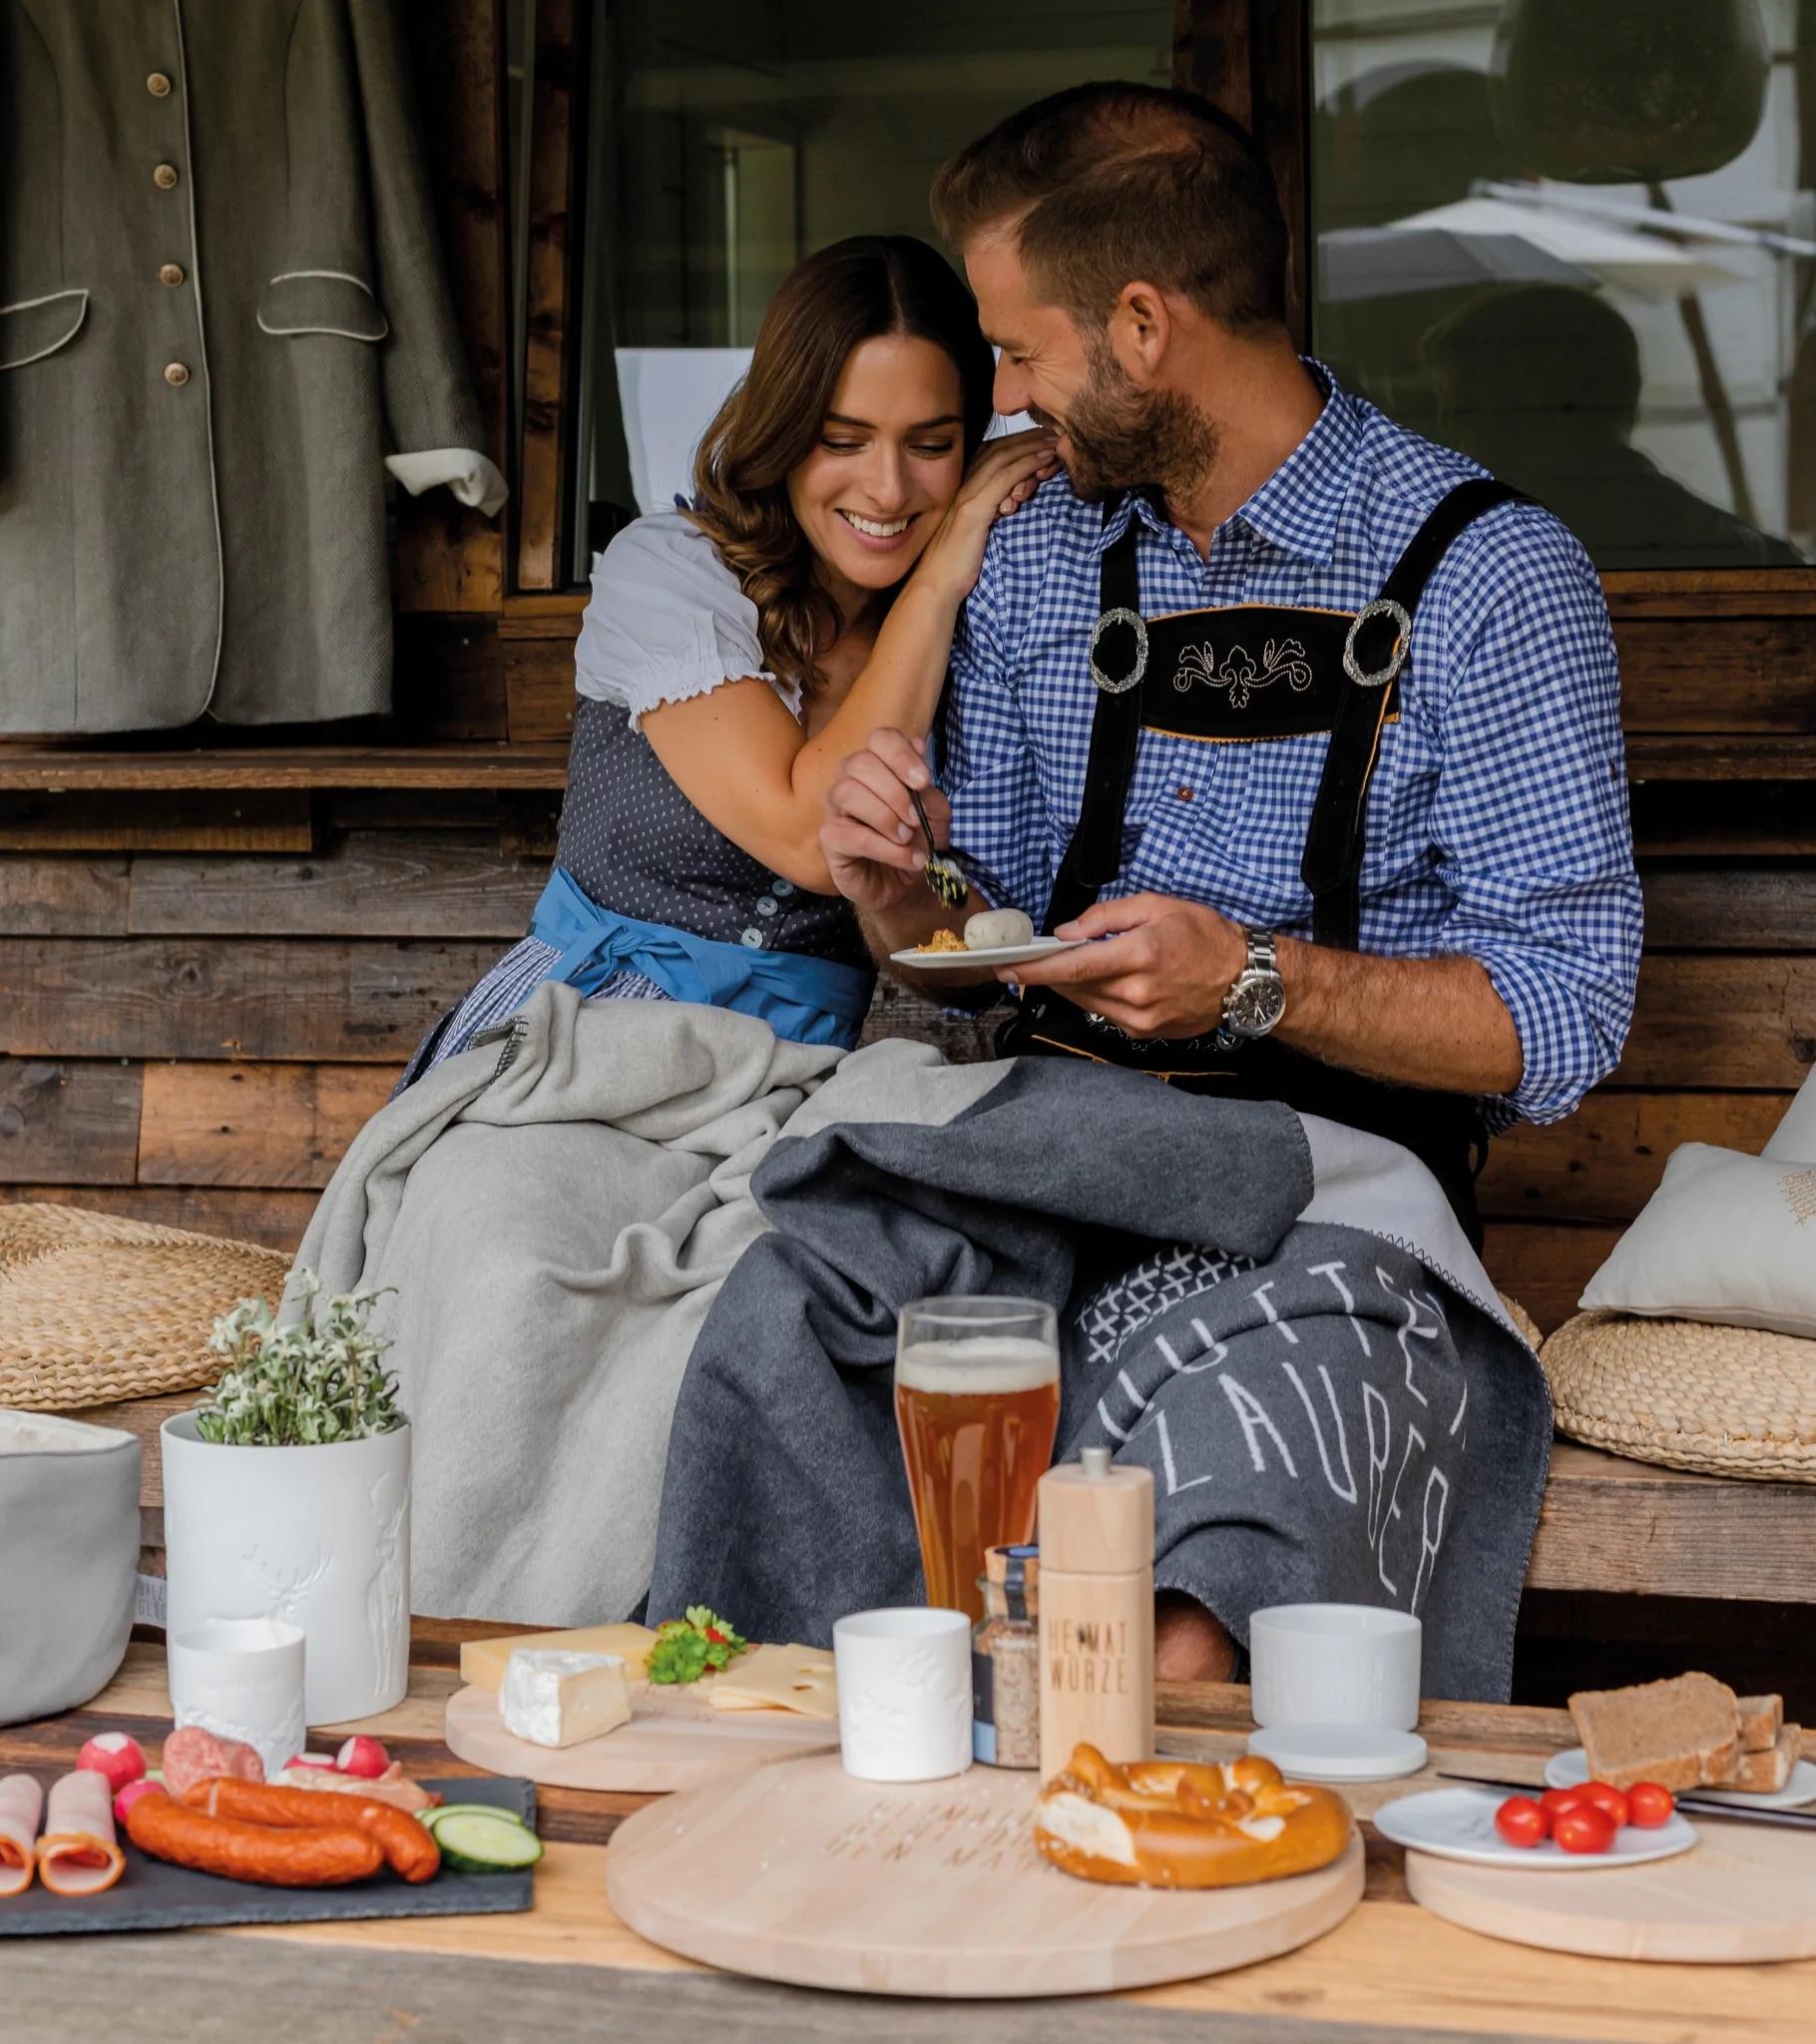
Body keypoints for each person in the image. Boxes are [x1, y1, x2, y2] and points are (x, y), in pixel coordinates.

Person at [819, 84, 1642, 1681]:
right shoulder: (1044, 544)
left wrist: (1256, 980)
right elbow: (954, 919)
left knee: (1197, 1601)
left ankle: (1168, 1872)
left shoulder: (1489, 577)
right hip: (1042, 1158)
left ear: (1141, 325)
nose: (1000, 394)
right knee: (787, 1321)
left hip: (1328, 1197)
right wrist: (889, 895)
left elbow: (1566, 1015)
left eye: (1016, 348)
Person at [397, 236, 1056, 1084]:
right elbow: (803, 835)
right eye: (843, 440)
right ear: (782, 430)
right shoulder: (670, 572)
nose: (889, 491)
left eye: (930, 445)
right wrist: (937, 579)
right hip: (582, 1039)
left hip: (790, 1074)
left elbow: (969, 956)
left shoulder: (988, 632)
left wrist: (923, 908)